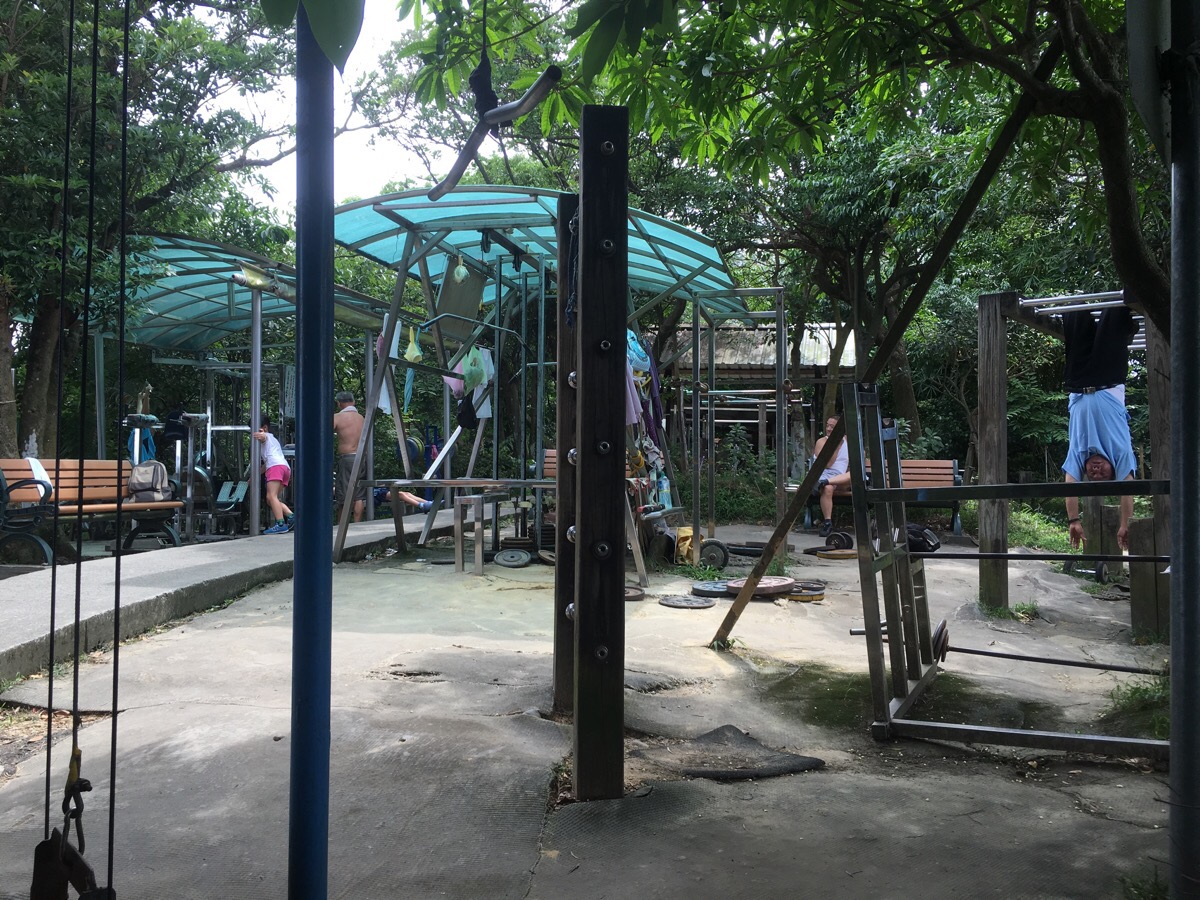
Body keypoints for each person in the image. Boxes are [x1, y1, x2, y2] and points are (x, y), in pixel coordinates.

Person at [1060, 305, 1139, 551]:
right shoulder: (1121, 454)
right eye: (1102, 475)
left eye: (1091, 475)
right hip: (1109, 379)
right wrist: (1125, 524)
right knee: (1114, 315)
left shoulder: (1078, 455)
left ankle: (1079, 298)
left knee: (1074, 315)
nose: (1095, 471)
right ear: (1114, 470)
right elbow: (1127, 490)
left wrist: (1074, 520)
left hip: (1077, 382)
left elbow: (1070, 485)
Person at [812, 414, 851, 538]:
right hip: (824, 474)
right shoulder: (821, 442)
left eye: (832, 427)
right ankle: (828, 523)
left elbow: (860, 456)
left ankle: (827, 482)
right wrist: (836, 447)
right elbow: (828, 464)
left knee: (854, 474)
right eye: (827, 425)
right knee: (828, 488)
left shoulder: (848, 440)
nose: (828, 429)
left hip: (841, 479)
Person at [333, 390, 370, 522]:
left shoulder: (337, 417)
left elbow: (324, 434)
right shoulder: (362, 418)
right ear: (353, 402)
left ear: (339, 403)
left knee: (344, 495)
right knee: (359, 495)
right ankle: (357, 525)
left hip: (348, 458)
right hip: (362, 458)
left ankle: (341, 526)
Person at [254, 416, 294, 534]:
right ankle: (291, 516)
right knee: (270, 499)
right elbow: (266, 465)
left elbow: (263, 436)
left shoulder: (266, 436)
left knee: (271, 496)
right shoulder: (274, 440)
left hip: (275, 467)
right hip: (284, 468)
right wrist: (254, 476)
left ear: (265, 428)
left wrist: (261, 434)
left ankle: (280, 524)